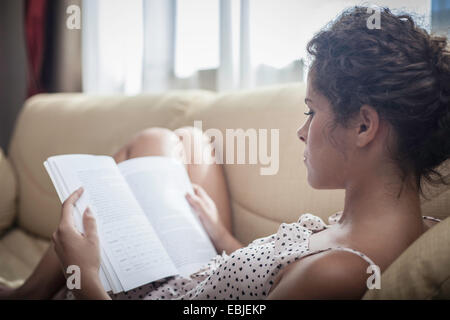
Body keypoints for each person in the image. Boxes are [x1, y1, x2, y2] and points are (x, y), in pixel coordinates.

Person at [1, 6, 449, 300]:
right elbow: (272, 277)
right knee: (175, 141)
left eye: (312, 111)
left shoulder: (337, 274)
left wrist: (87, 276)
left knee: (128, 166)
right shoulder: (416, 227)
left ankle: (30, 294)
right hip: (205, 270)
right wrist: (221, 235)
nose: (301, 130)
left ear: (365, 126)